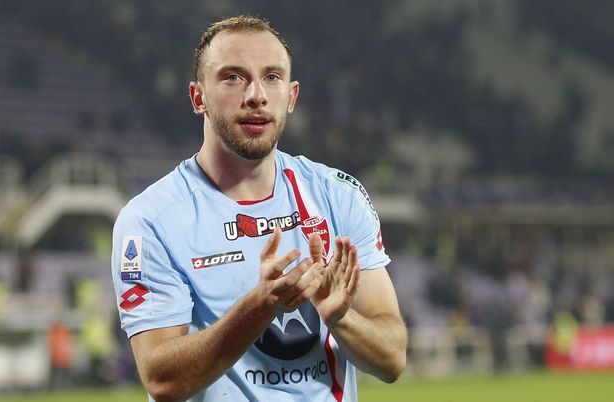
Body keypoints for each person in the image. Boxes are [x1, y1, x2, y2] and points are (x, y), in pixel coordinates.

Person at [111, 16, 407, 402]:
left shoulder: (337, 195)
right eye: (233, 77)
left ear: (292, 96)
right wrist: (261, 304)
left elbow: (392, 359)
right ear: (197, 97)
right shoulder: (151, 219)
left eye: (272, 77)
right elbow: (163, 380)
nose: (256, 95)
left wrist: (341, 318)